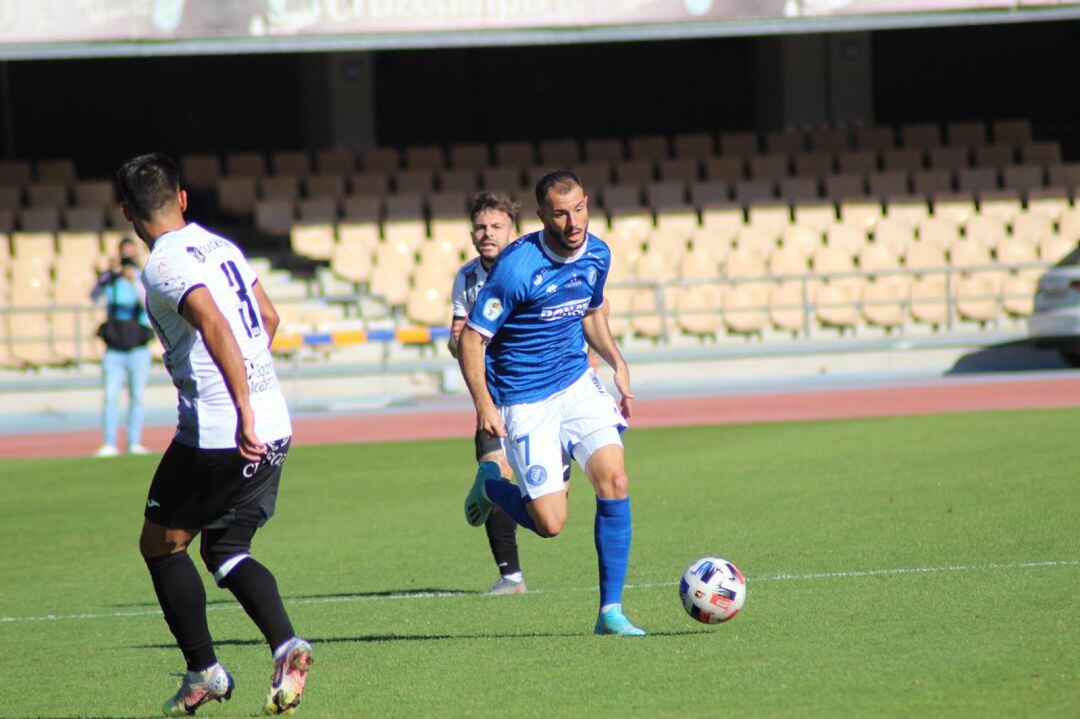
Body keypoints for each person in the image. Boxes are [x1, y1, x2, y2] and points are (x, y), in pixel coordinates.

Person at [118, 153, 312, 716]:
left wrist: (240, 407)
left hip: (221, 432)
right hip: (275, 423)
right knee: (225, 548)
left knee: (160, 544)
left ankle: (204, 672)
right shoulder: (220, 245)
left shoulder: (162, 264)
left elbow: (215, 324)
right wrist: (254, 390)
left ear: (128, 211)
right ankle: (286, 646)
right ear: (182, 198)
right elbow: (268, 318)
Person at [459, 169, 645, 636]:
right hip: (525, 398)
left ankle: (610, 613)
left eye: (579, 207)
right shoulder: (517, 269)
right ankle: (491, 486)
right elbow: (471, 341)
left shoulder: (598, 253)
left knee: (615, 480)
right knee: (550, 523)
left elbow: (592, 311)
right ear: (542, 216)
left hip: (576, 382)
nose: (573, 221)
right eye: (560, 213)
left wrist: (616, 362)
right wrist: (484, 406)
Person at [449, 192, 573, 596]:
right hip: (494, 395)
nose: (487, 234)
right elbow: (460, 340)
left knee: (547, 514)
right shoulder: (466, 278)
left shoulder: (529, 268)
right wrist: (460, 341)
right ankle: (511, 577)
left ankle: (500, 489)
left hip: (541, 394)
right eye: (481, 227)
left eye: (496, 226)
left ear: (513, 231)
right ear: (471, 234)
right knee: (492, 465)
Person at [92, 238, 153, 457]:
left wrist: (133, 278)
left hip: (137, 348)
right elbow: (94, 298)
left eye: (131, 255)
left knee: (137, 396)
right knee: (110, 395)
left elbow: (147, 301)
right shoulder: (112, 280)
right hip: (115, 349)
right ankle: (109, 441)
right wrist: (109, 274)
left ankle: (134, 441)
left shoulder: (143, 278)